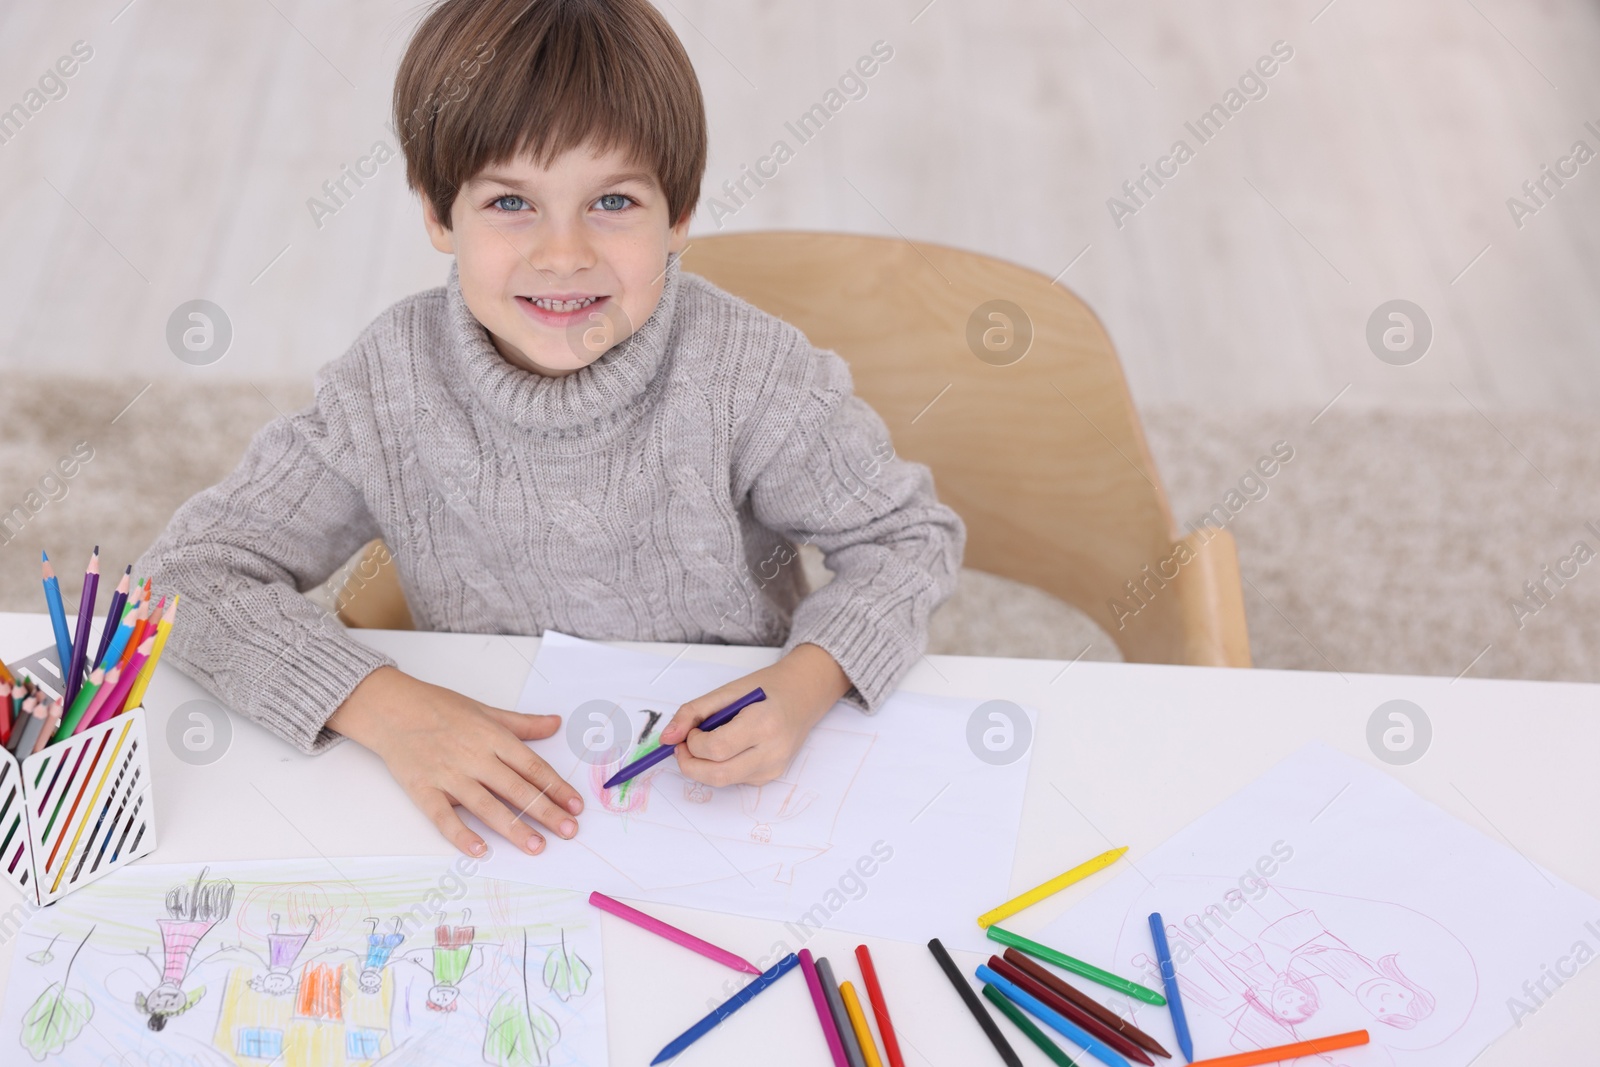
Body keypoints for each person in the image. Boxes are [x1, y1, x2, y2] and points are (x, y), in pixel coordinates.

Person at [134, 0, 963, 859]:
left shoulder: (747, 374)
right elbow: (182, 577)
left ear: (677, 214)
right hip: (502, 793)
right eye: (509, 202)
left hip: (715, 794)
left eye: (611, 200)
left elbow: (907, 539)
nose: (562, 253)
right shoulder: (389, 382)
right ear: (437, 214)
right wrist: (384, 704)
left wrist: (806, 681)